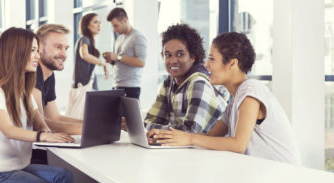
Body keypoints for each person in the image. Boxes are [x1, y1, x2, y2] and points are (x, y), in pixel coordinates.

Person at [151, 32, 300, 164]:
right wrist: (167, 137)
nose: (206, 64)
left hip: (282, 178)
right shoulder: (235, 100)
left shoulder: (251, 91)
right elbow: (210, 137)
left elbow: (238, 145)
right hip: (261, 175)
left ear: (232, 63)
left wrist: (189, 138)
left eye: (212, 59)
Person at [0, 27, 75, 183]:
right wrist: (43, 136)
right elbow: (8, 131)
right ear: (16, 53)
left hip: (18, 167)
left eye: (38, 51)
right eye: (32, 51)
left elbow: (41, 125)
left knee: (64, 177)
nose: (37, 56)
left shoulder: (23, 92)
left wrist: (55, 135)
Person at [144, 24, 227, 135]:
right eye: (168, 55)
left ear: (192, 57)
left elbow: (190, 132)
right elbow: (150, 120)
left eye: (180, 54)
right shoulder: (169, 82)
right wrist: (156, 130)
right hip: (187, 149)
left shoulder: (199, 83)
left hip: (212, 151)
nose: (173, 61)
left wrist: (157, 131)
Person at [33, 24, 82, 134]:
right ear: (39, 47)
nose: (64, 54)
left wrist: (97, 124)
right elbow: (40, 124)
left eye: (66, 48)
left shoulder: (49, 75)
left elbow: (55, 118)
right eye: (58, 47)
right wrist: (95, 129)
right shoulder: (34, 71)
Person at [67, 13, 109, 119]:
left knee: (90, 114)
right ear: (87, 25)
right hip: (84, 83)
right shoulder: (84, 39)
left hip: (89, 82)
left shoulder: (90, 41)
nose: (99, 25)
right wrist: (102, 63)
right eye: (95, 22)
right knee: (84, 116)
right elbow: (84, 55)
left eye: (100, 23)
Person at [103, 7, 147, 99]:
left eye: (116, 25)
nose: (114, 29)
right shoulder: (119, 38)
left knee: (129, 114)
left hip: (131, 87)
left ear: (125, 20)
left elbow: (141, 62)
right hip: (116, 84)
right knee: (113, 113)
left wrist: (117, 57)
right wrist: (112, 60)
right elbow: (119, 60)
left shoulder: (138, 37)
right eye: (112, 26)